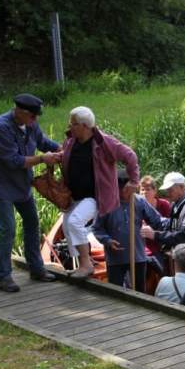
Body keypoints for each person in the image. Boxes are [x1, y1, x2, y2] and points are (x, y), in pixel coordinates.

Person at [0, 93, 60, 292]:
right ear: (21, 112)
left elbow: (42, 141)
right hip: (1, 184)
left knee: (32, 222)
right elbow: (13, 160)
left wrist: (62, 149)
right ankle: (3, 276)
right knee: (8, 228)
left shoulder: (31, 124)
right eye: (32, 116)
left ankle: (36, 268)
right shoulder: (0, 127)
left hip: (21, 184)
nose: (35, 121)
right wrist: (43, 159)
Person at [59, 106, 140, 278]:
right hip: (74, 196)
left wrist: (134, 181)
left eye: (73, 124)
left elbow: (130, 156)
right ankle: (80, 264)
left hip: (96, 196)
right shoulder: (70, 141)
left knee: (75, 222)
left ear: (85, 126)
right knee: (67, 225)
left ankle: (87, 265)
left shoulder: (105, 143)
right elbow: (65, 157)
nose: (69, 127)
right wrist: (55, 158)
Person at [91, 172, 164, 291]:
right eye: (121, 190)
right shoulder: (107, 203)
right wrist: (107, 240)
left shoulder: (139, 201)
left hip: (137, 256)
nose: (125, 193)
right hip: (115, 259)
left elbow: (157, 221)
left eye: (128, 189)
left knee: (139, 292)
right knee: (116, 293)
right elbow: (96, 227)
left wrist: (171, 226)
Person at [141, 172, 185, 282]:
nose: (168, 193)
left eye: (170, 190)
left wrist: (155, 235)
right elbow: (173, 226)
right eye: (167, 190)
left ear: (182, 187)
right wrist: (156, 222)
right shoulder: (176, 204)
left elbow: (184, 236)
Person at [139, 175, 172, 267]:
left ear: (155, 191)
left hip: (160, 243)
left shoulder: (164, 204)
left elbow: (170, 225)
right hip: (142, 246)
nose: (144, 192)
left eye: (148, 189)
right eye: (142, 189)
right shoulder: (136, 206)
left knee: (161, 268)